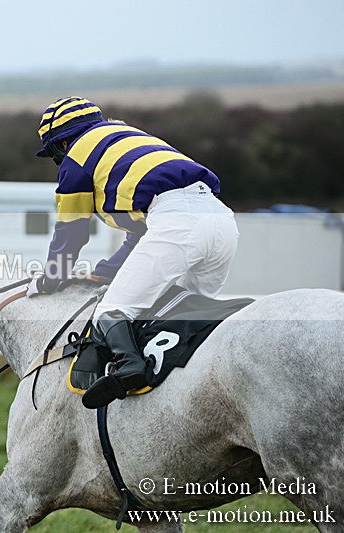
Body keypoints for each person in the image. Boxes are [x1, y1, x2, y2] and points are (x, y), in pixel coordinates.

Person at [26, 96, 239, 408]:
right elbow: (141, 234)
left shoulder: (77, 158)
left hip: (176, 223)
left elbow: (71, 231)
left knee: (110, 313)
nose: (59, 163)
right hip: (222, 223)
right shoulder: (131, 137)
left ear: (63, 143)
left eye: (56, 155)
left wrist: (50, 277)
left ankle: (130, 370)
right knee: (176, 313)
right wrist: (105, 272)